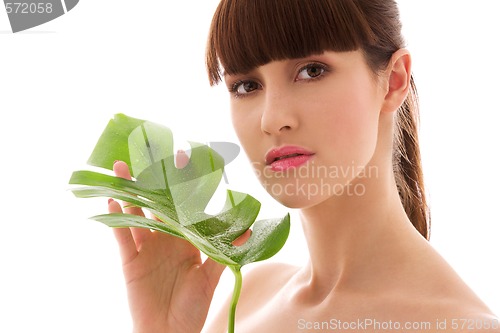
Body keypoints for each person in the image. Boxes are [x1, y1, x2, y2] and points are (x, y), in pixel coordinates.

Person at [107, 0, 499, 332]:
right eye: (246, 85)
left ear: (393, 81)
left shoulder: (461, 325)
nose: (272, 118)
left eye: (311, 70)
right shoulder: (245, 302)